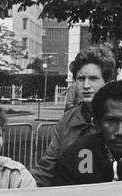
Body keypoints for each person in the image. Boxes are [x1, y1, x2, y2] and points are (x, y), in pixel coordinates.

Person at [31, 44, 116, 185]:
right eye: (81, 79)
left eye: (94, 79)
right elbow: (47, 168)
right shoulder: (67, 119)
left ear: (107, 82)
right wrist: (22, 189)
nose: (86, 85)